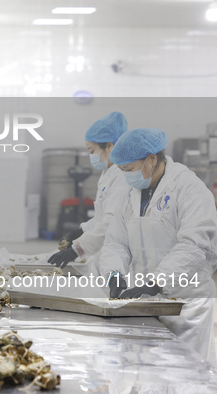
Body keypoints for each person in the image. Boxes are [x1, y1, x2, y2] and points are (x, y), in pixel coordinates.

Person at [100, 128, 217, 364]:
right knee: (151, 374)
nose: (127, 177)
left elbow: (194, 245)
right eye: (122, 171)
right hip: (147, 302)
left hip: (187, 304)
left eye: (130, 169)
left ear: (152, 159)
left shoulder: (188, 188)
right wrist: (114, 273)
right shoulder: (131, 194)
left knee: (188, 374)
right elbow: (116, 242)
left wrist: (158, 281)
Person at [48, 112, 131, 274]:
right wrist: (81, 231)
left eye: (92, 150)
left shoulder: (121, 175)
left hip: (118, 254)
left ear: (110, 146)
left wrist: (77, 249)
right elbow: (102, 216)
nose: (90, 156)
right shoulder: (108, 172)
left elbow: (111, 223)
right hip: (104, 250)